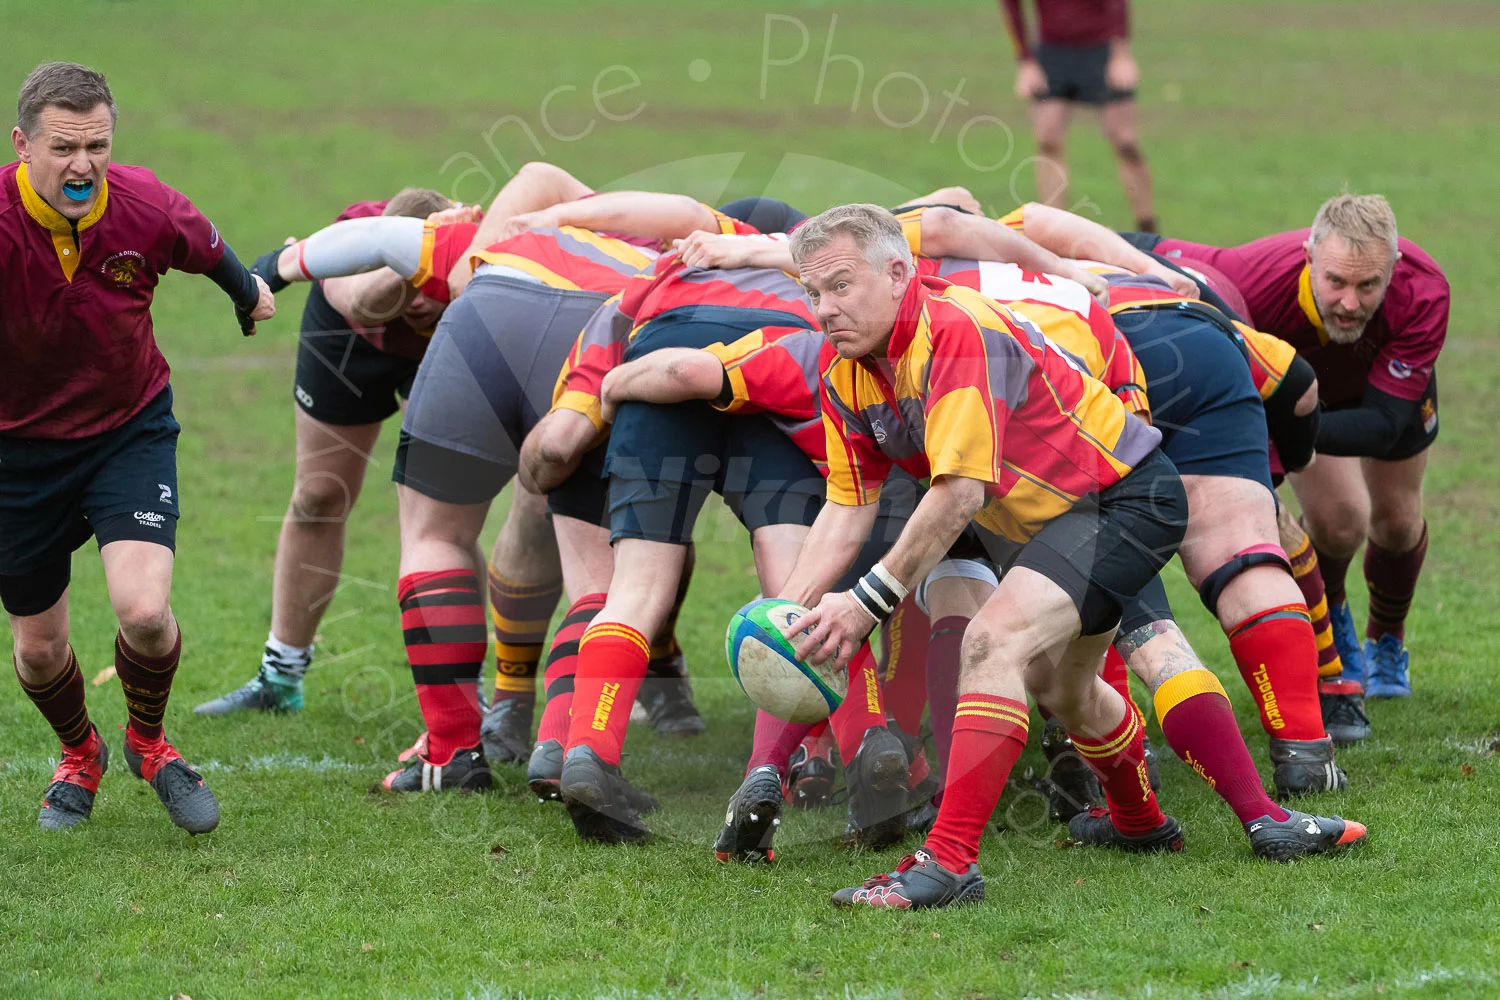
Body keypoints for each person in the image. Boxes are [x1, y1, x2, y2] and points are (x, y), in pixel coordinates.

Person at [768, 204, 1186, 909]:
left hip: (1122, 499)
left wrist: (864, 604)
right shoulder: (847, 372)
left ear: (897, 273)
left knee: (992, 643)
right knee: (1066, 690)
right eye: (813, 293)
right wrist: (788, 610)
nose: (825, 308)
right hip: (1053, 521)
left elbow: (960, 492)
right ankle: (1144, 824)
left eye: (840, 285)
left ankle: (948, 862)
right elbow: (846, 505)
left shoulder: (954, 330)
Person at [1, 62, 274, 832]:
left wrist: (247, 294)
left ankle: (149, 745)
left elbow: (207, 246)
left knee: (146, 611)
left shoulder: (142, 205)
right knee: (40, 650)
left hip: (127, 430)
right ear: (23, 144)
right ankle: (78, 753)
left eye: (97, 146)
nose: (82, 164)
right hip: (16, 456)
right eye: (63, 147)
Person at [1129, 195, 1446, 702]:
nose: (1349, 302)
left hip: (1379, 392)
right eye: (1335, 282)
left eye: (1368, 285)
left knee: (1398, 522)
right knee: (1341, 521)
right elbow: (1153, 251)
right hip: (1297, 389)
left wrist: (1286, 424)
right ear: (1309, 257)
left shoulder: (1423, 292)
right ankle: (1334, 623)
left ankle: (1387, 640)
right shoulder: (1248, 279)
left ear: (1394, 268)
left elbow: (1383, 425)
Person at [195, 187, 458, 717]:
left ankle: (463, 696)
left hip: (449, 340)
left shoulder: (478, 251)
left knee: (439, 521)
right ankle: (280, 677)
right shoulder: (351, 243)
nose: (420, 297)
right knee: (317, 496)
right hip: (350, 337)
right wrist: (412, 263)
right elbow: (363, 304)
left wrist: (449, 259)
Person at [1000, 0, 1156, 231]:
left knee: (1126, 142)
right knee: (1048, 143)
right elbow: (1011, 6)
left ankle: (1147, 226)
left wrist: (1120, 54)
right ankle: (1053, 232)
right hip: (1051, 55)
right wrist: (1026, 61)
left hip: (1101, 51)